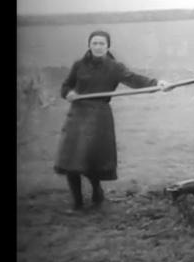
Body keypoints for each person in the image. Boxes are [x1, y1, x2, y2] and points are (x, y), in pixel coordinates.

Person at [55, 30, 168, 213]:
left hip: (100, 116)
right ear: (89, 45)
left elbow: (134, 80)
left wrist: (158, 84)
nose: (98, 47)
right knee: (71, 160)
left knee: (91, 159)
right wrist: (69, 93)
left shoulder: (114, 67)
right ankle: (77, 203)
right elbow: (65, 86)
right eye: (95, 43)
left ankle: (97, 192)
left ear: (108, 47)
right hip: (78, 114)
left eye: (102, 44)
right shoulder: (79, 66)